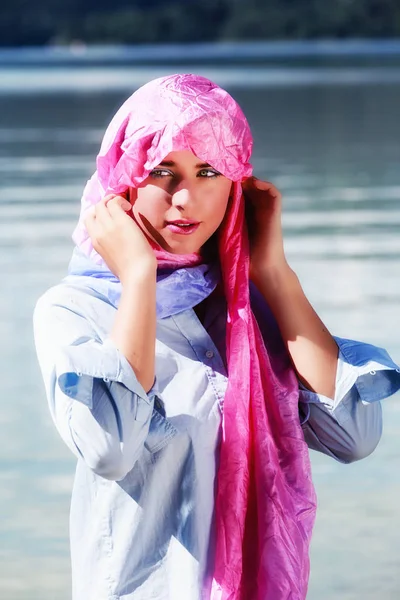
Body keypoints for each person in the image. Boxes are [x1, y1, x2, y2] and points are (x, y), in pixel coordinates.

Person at [33, 74, 400, 600]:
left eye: (209, 171)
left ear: (236, 185)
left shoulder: (250, 311)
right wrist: (138, 277)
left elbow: (354, 436)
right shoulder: (74, 310)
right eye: (162, 171)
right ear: (123, 181)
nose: (186, 198)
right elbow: (110, 448)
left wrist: (274, 273)